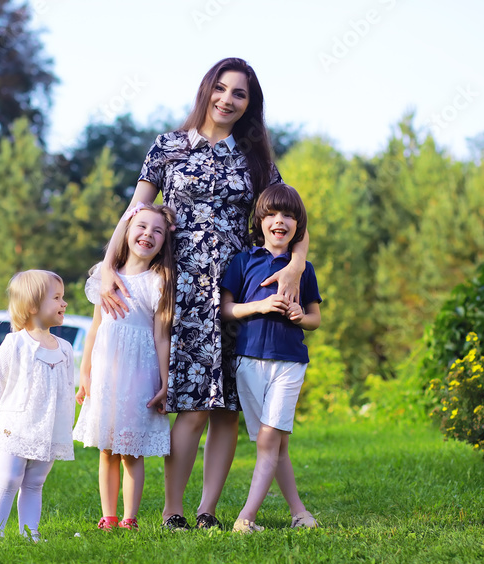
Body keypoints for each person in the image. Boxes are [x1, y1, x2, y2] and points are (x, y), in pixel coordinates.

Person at [97, 57, 311, 530]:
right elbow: (135, 210)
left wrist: (295, 265)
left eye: (239, 94)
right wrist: (108, 264)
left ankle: (207, 511)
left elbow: (294, 215)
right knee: (192, 406)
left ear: (249, 105)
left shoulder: (256, 161)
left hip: (240, 292)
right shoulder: (168, 147)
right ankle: (172, 510)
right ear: (206, 90)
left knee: (226, 410)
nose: (227, 100)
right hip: (183, 290)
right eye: (221, 88)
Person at [220, 184, 322, 533]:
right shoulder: (243, 261)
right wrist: (260, 306)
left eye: (289, 216)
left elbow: (315, 319)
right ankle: (300, 513)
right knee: (277, 443)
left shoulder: (304, 269)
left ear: (298, 226)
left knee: (268, 440)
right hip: (248, 362)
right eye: (273, 214)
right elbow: (226, 309)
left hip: (290, 362)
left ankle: (245, 518)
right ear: (260, 221)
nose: (280, 221)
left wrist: (299, 316)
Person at [74, 203, 176, 531]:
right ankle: (108, 515)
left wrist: (164, 383)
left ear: (164, 242)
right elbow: (95, 329)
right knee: (107, 449)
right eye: (141, 226)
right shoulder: (106, 276)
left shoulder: (158, 281)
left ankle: (130, 518)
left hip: (139, 374)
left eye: (157, 231)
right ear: (127, 231)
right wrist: (85, 373)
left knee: (131, 450)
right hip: (106, 373)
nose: (148, 234)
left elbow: (162, 336)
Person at [0, 270, 75, 543]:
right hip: (15, 426)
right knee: (9, 479)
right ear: (32, 306)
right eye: (56, 298)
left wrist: (66, 425)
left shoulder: (65, 348)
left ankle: (30, 533)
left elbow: (67, 389)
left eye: (63, 297)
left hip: (50, 428)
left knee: (35, 483)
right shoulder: (15, 343)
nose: (64, 303)